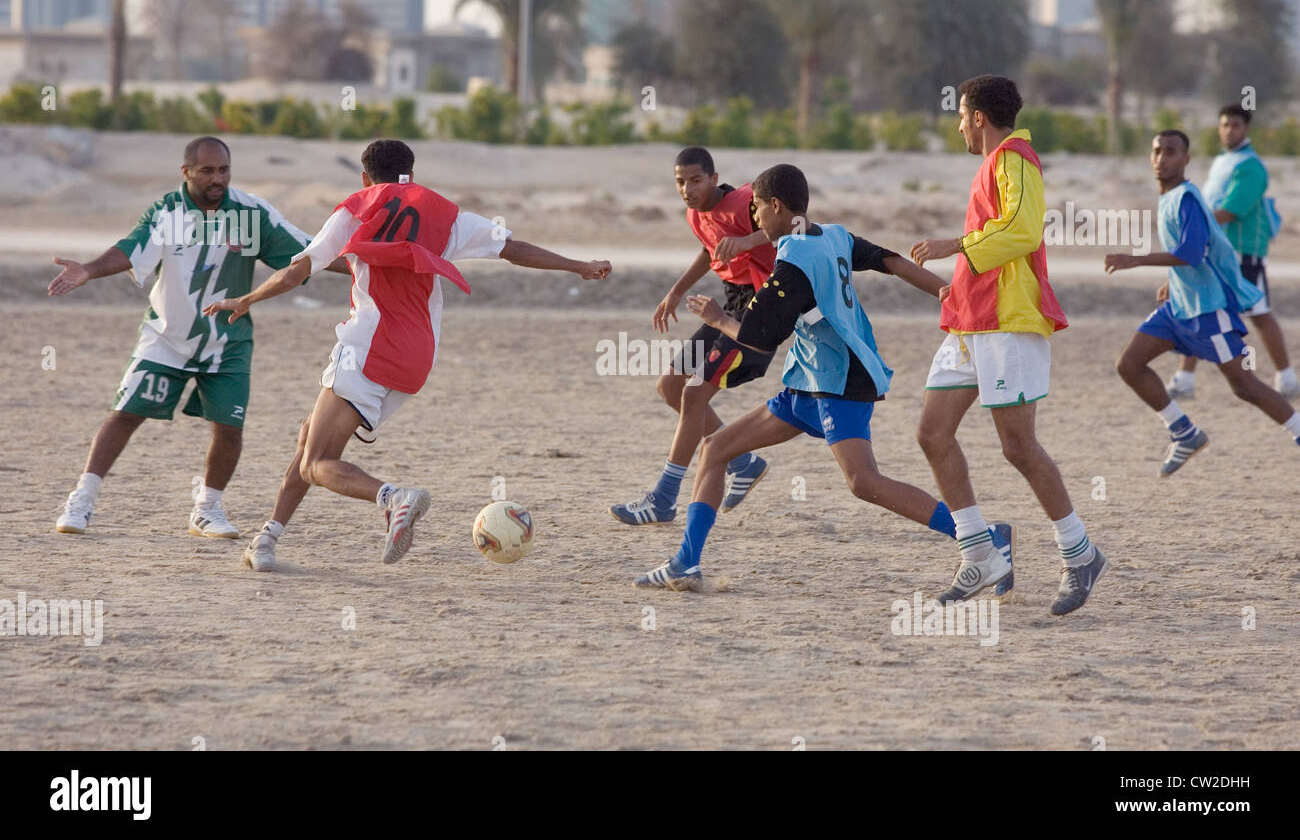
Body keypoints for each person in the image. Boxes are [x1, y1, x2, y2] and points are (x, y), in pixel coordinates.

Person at [204, 140, 612, 571]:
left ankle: (393, 497)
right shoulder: (443, 212)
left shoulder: (356, 207)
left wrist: (247, 299)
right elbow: (513, 249)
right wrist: (578, 266)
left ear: (365, 177)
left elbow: (297, 270)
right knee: (311, 435)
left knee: (316, 463)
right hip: (415, 358)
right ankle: (268, 539)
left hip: (367, 347)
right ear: (411, 175)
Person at [634, 164, 1011, 592]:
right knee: (716, 448)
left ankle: (987, 539)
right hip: (808, 380)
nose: (754, 218)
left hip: (840, 381)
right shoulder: (834, 234)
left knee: (864, 482)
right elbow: (890, 261)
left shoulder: (793, 262)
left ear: (776, 206)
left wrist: (718, 319)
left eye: (756, 208)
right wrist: (943, 291)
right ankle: (686, 563)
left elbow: (756, 340)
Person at [49, 136, 315, 539]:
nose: (217, 179)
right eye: (207, 170)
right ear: (186, 171)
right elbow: (130, 249)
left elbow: (309, 252)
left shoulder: (251, 213)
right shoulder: (167, 212)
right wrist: (87, 270)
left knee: (229, 427)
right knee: (124, 415)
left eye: (223, 170)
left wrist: (369, 269)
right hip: (166, 338)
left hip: (228, 342)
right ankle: (81, 498)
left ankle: (207, 509)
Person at [912, 75, 1105, 616]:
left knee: (1018, 447)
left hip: (1008, 320)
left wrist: (956, 245)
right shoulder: (992, 163)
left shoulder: (1015, 156)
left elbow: (1022, 230)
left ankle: (1080, 552)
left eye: (960, 117)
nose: (957, 127)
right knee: (932, 433)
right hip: (969, 322)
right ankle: (981, 553)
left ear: (977, 116)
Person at [1106, 130, 1300, 474]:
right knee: (1129, 364)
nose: (1162, 158)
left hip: (1208, 310)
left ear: (1186, 160)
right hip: (1180, 307)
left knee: (1245, 386)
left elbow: (1193, 252)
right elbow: (1193, 251)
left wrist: (1136, 259)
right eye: (1157, 151)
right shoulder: (1168, 196)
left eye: (1171, 152)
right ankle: (1184, 432)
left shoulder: (1187, 198)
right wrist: (1171, 280)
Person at [609, 147, 776, 526]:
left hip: (760, 307)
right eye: (680, 182)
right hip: (729, 303)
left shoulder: (744, 202)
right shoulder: (694, 214)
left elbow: (790, 225)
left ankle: (664, 498)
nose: (687, 188)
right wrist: (676, 291)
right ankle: (743, 461)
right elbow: (709, 249)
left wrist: (749, 241)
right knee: (670, 385)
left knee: (694, 393)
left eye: (695, 180)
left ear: (714, 178)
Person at [1167, 104, 1297, 400]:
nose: (1229, 130)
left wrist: (1193, 224)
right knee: (1203, 308)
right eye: (1225, 124)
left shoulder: (1251, 166)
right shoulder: (1223, 161)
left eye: (1235, 125)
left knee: (1260, 314)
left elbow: (1230, 210)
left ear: (1246, 128)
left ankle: (1287, 378)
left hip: (1242, 252)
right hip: (1218, 251)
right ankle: (1184, 379)